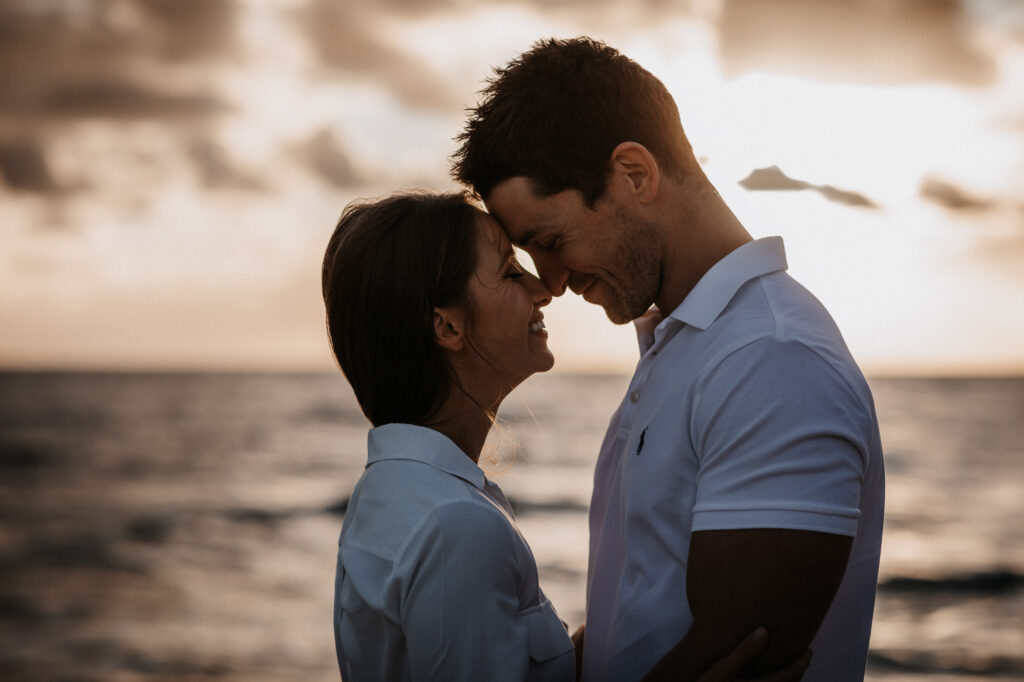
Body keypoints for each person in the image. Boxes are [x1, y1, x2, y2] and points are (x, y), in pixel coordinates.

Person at [452, 37, 885, 682]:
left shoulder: (771, 357)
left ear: (634, 173)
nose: (554, 281)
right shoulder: (687, 344)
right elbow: (649, 609)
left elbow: (740, 651)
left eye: (551, 240)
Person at [322, 191, 812, 681]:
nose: (543, 289)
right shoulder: (456, 527)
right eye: (512, 272)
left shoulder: (389, 493)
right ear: (446, 325)